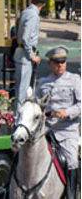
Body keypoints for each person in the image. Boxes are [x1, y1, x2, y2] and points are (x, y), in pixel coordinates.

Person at [36, 46, 81, 199]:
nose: (60, 65)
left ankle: (71, 195)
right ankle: (8, 188)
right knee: (25, 152)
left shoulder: (74, 80)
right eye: (57, 62)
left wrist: (67, 112)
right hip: (47, 130)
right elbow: (37, 105)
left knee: (71, 161)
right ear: (50, 63)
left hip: (67, 130)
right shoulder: (43, 82)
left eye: (63, 62)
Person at [13, 0, 49, 105]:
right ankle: (18, 117)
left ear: (32, 1)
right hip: (25, 55)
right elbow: (26, 37)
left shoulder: (26, 12)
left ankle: (18, 115)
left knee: (21, 88)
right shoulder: (33, 15)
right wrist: (32, 55)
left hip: (21, 52)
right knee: (22, 90)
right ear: (43, 4)